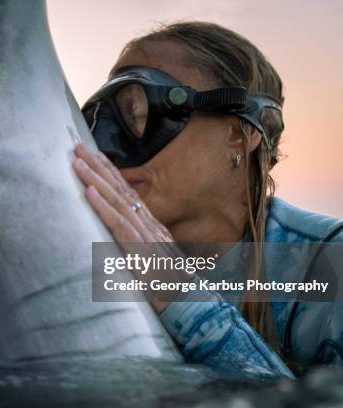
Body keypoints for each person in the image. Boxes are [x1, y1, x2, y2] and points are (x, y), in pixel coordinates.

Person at [72, 21, 343, 378]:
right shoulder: (99, 263)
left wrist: (181, 297)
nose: (107, 147)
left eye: (136, 114)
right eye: (97, 121)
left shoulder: (328, 263)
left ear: (237, 133)